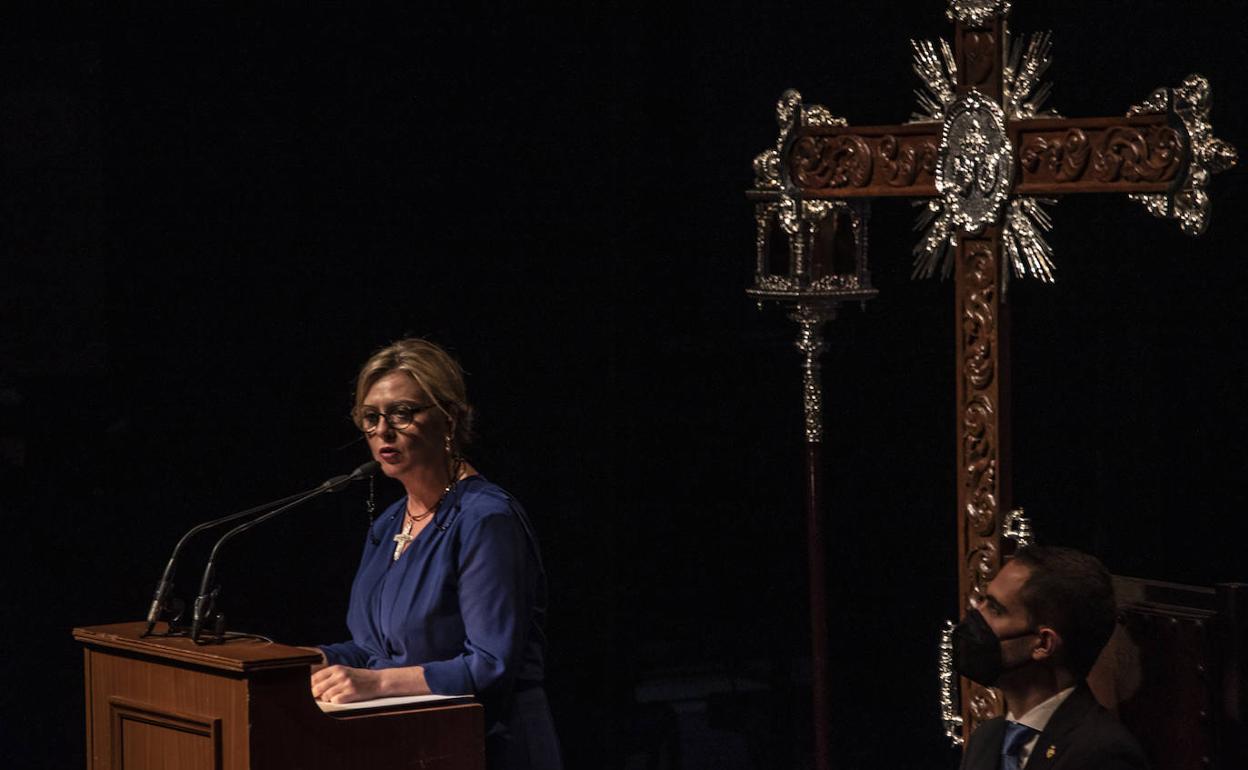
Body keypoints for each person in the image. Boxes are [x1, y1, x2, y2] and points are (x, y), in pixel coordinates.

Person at [312, 338, 562, 770]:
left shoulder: (486, 519)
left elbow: (490, 665)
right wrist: (312, 661)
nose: (383, 432)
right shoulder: (390, 522)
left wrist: (373, 683)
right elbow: (374, 649)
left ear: (451, 418)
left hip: (492, 744)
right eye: (370, 417)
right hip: (415, 744)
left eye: (403, 413)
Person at [952, 545, 1149, 770]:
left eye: (996, 610)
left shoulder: (1102, 754)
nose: (977, 615)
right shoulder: (986, 740)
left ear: (1043, 644)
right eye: (983, 601)